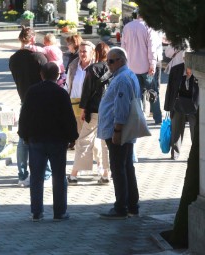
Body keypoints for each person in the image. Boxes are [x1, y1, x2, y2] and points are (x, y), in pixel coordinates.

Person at [18, 62, 78, 222]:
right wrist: (72, 137)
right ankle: (60, 212)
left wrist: (23, 135)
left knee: (36, 176)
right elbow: (68, 117)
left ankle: (36, 212)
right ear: (58, 75)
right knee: (59, 176)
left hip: (36, 139)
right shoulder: (61, 93)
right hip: (57, 140)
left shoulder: (32, 92)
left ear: (41, 75)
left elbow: (24, 115)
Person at [97, 47, 141, 219]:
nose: (108, 64)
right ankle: (132, 205)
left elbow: (121, 107)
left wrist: (117, 130)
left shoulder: (122, 78)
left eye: (111, 61)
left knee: (119, 167)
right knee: (126, 166)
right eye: (107, 61)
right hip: (123, 130)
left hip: (118, 130)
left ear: (121, 60)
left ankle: (121, 206)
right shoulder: (125, 75)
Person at [9, 25, 52, 188]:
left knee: (23, 138)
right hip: (41, 100)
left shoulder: (13, 58)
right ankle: (46, 173)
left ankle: (22, 175)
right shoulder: (40, 58)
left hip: (24, 99)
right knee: (43, 136)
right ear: (33, 39)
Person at [68, 42, 112, 185]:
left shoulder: (93, 69)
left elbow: (86, 93)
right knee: (105, 143)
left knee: (84, 140)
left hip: (93, 111)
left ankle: (74, 174)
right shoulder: (114, 69)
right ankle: (106, 174)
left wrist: (83, 110)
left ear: (96, 53)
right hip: (108, 111)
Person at [121, 9, 161, 124]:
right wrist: (153, 63)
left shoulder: (127, 27)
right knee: (152, 91)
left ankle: (139, 118)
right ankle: (157, 118)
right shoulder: (148, 27)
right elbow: (151, 48)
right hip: (147, 67)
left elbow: (123, 48)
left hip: (131, 67)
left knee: (136, 94)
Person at [164, 44, 198, 160]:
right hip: (178, 101)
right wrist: (168, 107)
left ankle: (196, 153)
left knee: (195, 128)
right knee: (176, 126)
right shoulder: (176, 70)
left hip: (195, 103)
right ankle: (175, 152)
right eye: (185, 59)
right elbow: (170, 89)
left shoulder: (198, 72)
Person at [65, 40, 95, 173]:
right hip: (75, 105)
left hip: (91, 107)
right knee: (79, 138)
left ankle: (102, 168)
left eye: (85, 51)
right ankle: (80, 168)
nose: (82, 54)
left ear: (92, 53)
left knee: (92, 140)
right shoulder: (73, 65)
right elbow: (67, 85)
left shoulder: (96, 67)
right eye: (81, 51)